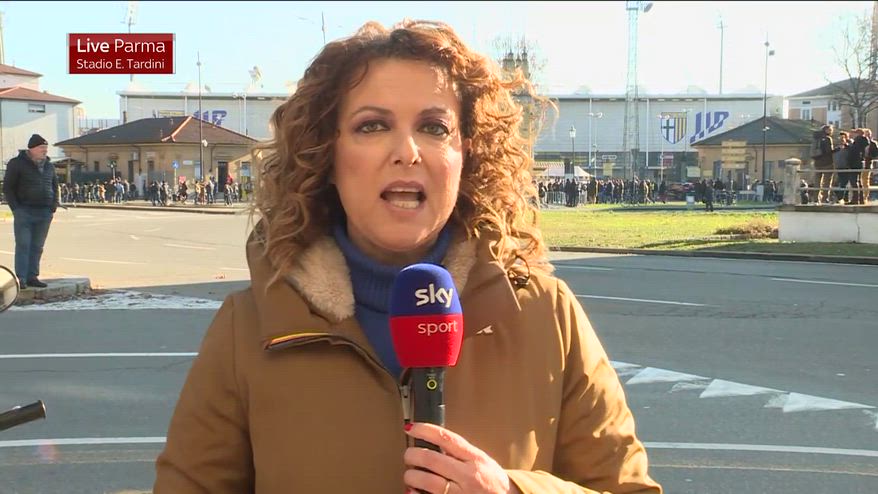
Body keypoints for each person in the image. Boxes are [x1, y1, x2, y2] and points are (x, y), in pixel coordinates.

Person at [154, 20, 662, 494]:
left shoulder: (548, 315)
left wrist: (513, 490)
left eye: (434, 127)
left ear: (467, 154)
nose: (407, 151)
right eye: (372, 126)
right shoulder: (247, 328)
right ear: (327, 154)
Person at [2, 134, 59, 289]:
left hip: (44, 212)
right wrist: (16, 208)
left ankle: (32, 276)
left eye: (46, 148)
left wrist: (53, 205)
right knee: (23, 245)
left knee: (37, 246)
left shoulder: (49, 166)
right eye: (41, 148)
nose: (45, 151)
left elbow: (55, 186)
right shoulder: (17, 164)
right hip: (24, 211)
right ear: (32, 149)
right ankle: (21, 278)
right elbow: (8, 188)